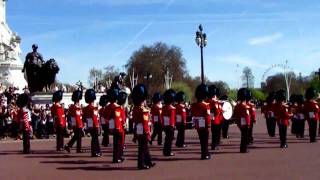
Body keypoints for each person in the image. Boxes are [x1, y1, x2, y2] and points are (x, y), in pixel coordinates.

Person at [131, 84, 155, 169]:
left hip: (138, 130)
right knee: (142, 148)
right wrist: (148, 133)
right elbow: (145, 123)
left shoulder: (135, 109)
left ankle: (148, 161)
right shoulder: (143, 110)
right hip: (143, 131)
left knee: (145, 147)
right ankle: (140, 164)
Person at [191, 84, 211, 159]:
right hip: (205, 125)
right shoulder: (206, 105)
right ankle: (204, 154)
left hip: (198, 125)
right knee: (205, 141)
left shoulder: (194, 105)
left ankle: (206, 153)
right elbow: (207, 116)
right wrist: (209, 124)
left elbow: (193, 114)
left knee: (202, 140)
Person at [83, 89, 101, 157]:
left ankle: (96, 151)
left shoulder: (85, 108)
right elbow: (94, 118)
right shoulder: (94, 108)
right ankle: (95, 152)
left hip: (89, 125)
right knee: (95, 139)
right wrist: (97, 126)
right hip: (94, 124)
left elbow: (84, 118)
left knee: (93, 138)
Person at [233, 88, 251, 153]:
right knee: (245, 136)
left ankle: (242, 148)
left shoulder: (237, 106)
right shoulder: (245, 107)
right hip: (245, 123)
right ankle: (244, 148)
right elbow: (247, 116)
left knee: (243, 136)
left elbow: (235, 115)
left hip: (239, 123)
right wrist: (248, 124)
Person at [207, 85, 222, 150]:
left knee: (214, 133)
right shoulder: (214, 102)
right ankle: (214, 145)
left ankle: (214, 144)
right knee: (215, 133)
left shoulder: (208, 100)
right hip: (215, 119)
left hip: (211, 118)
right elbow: (217, 111)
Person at [162, 89, 176, 156]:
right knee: (169, 139)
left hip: (165, 125)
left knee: (167, 138)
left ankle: (165, 151)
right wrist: (173, 125)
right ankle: (168, 151)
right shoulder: (172, 108)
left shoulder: (163, 107)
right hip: (170, 126)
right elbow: (172, 118)